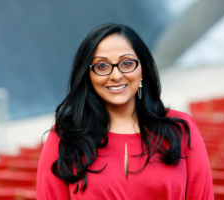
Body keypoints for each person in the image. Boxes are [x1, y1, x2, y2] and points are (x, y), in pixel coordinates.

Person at [36, 23, 214, 200]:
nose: (116, 76)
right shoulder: (65, 137)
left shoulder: (180, 128)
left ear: (142, 68)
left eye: (127, 63)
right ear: (88, 75)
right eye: (102, 66)